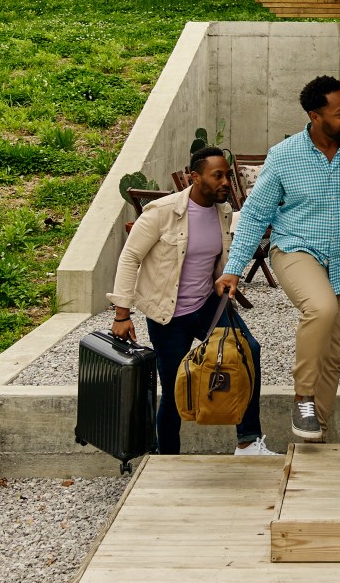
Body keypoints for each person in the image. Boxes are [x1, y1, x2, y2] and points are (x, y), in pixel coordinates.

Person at [215, 75, 340, 443]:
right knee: (320, 308)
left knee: (333, 353)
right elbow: (256, 215)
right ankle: (303, 396)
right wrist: (234, 270)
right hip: (295, 250)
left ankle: (315, 431)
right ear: (315, 116)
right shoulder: (285, 156)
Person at [111, 147, 272, 457]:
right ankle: (168, 456)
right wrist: (122, 314)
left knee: (248, 351)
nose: (227, 181)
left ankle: (248, 442)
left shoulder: (223, 212)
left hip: (207, 305)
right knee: (174, 389)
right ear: (195, 177)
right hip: (168, 313)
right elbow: (131, 257)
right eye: (218, 175)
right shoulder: (161, 211)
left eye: (227, 174)